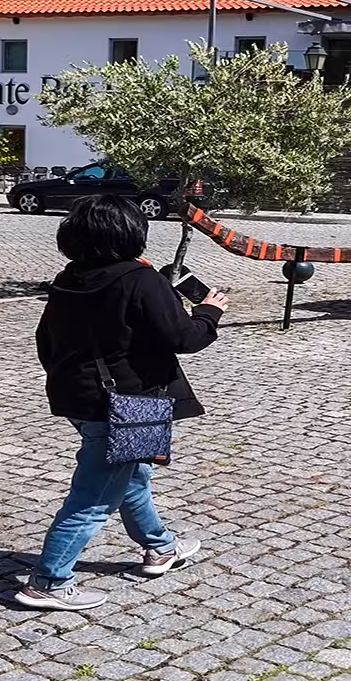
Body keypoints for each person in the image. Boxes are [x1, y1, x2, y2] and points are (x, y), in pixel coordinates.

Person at [16, 194, 228, 611]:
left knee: (130, 475)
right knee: (94, 497)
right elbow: (185, 338)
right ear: (133, 233)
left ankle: (161, 547)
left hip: (77, 396)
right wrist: (209, 311)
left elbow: (46, 340)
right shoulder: (140, 280)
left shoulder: (68, 277)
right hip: (132, 404)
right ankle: (49, 582)